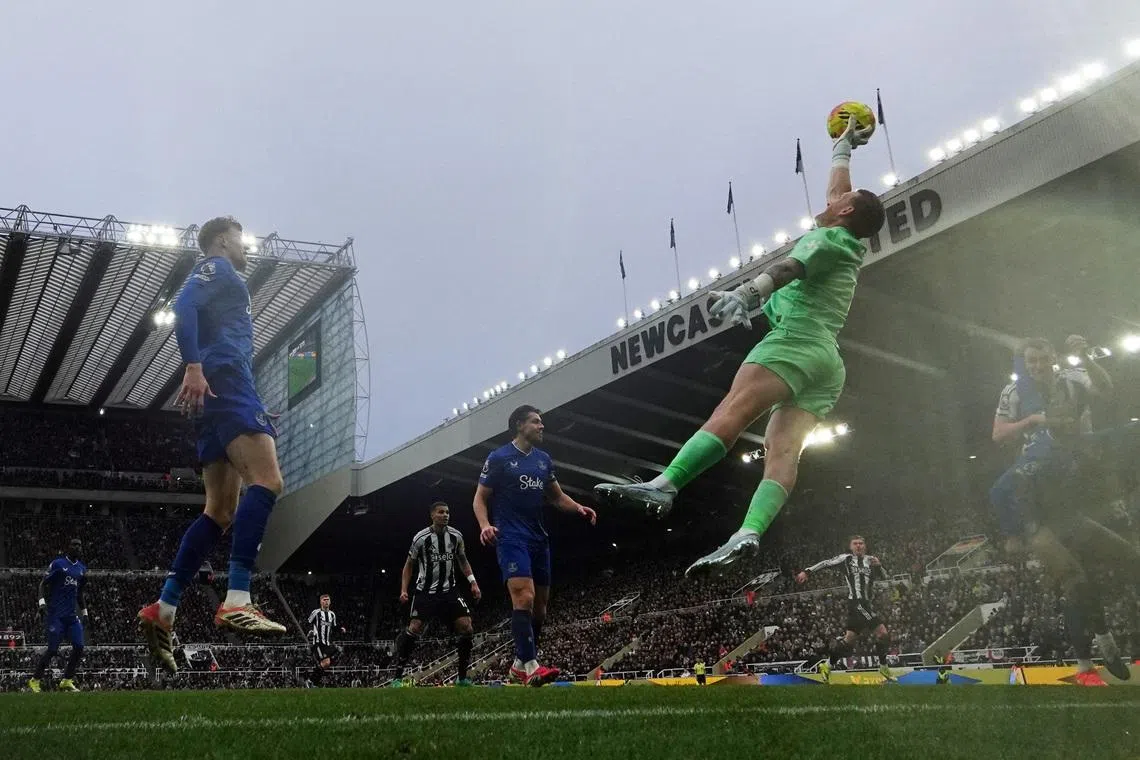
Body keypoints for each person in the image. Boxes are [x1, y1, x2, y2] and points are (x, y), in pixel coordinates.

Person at [593, 117, 885, 577]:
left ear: (846, 211)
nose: (832, 198)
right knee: (782, 452)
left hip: (796, 341)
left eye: (841, 200)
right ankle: (749, 531)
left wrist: (748, 293)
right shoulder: (848, 238)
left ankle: (665, 485)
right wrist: (841, 149)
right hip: (827, 363)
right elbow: (840, 194)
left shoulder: (827, 239)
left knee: (731, 411)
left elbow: (789, 268)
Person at [138, 216, 287, 675]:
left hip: (224, 392)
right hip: (227, 381)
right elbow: (184, 306)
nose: (246, 248)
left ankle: (164, 608)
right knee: (268, 482)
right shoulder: (217, 268)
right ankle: (238, 597)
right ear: (223, 240)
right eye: (240, 238)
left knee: (219, 511)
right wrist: (194, 367)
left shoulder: (222, 278)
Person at [990, 338, 1135, 685]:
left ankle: (1099, 649)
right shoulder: (1016, 395)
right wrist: (1032, 420)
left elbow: (1105, 388)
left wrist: (1086, 356)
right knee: (1074, 580)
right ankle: (1093, 657)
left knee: (1126, 560)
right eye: (1031, 362)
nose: (1037, 367)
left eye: (1043, 360)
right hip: (1037, 503)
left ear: (1053, 358)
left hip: (1073, 495)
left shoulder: (1073, 381)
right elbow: (998, 438)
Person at [474, 405, 597, 686]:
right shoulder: (499, 457)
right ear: (520, 425)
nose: (542, 426)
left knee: (540, 610)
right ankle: (532, 666)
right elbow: (479, 497)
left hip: (538, 538)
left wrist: (578, 507)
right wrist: (484, 525)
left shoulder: (543, 460)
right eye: (536, 422)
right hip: (510, 536)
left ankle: (519, 665)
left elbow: (557, 497)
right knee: (524, 598)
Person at [391, 502, 482, 687]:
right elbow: (409, 565)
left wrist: (473, 582)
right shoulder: (420, 538)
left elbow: (463, 560)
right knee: (414, 627)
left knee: (467, 627)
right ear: (432, 515)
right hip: (425, 592)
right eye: (441, 512)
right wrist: (403, 590)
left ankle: (462, 678)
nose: (445, 515)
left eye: (447, 512)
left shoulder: (456, 536)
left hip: (449, 591)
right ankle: (397, 678)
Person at [795, 535, 893, 681]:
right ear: (850, 547)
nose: (858, 546)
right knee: (882, 633)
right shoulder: (845, 559)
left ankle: (827, 665)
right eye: (855, 543)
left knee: (848, 642)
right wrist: (807, 571)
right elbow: (826, 563)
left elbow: (886, 577)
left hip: (866, 604)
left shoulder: (871, 560)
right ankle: (883, 666)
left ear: (865, 546)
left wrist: (879, 566)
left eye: (861, 543)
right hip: (857, 603)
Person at [27, 538, 87, 692]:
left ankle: (67, 680)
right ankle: (35, 680)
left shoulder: (82, 569)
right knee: (53, 649)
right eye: (74, 545)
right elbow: (43, 583)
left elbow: (79, 593)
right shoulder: (58, 564)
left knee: (79, 646)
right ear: (68, 547)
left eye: (80, 545)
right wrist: (41, 603)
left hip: (71, 617)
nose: (78, 547)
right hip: (55, 615)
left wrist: (85, 612)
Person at [307, 594, 345, 687]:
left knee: (329, 661)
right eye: (324, 600)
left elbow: (334, 627)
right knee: (325, 663)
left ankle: (312, 681)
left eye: (328, 599)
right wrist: (311, 631)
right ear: (321, 602)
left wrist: (341, 629)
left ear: (330, 602)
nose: (326, 601)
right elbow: (308, 622)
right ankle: (311, 681)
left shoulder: (332, 614)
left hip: (327, 643)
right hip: (318, 642)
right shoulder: (316, 612)